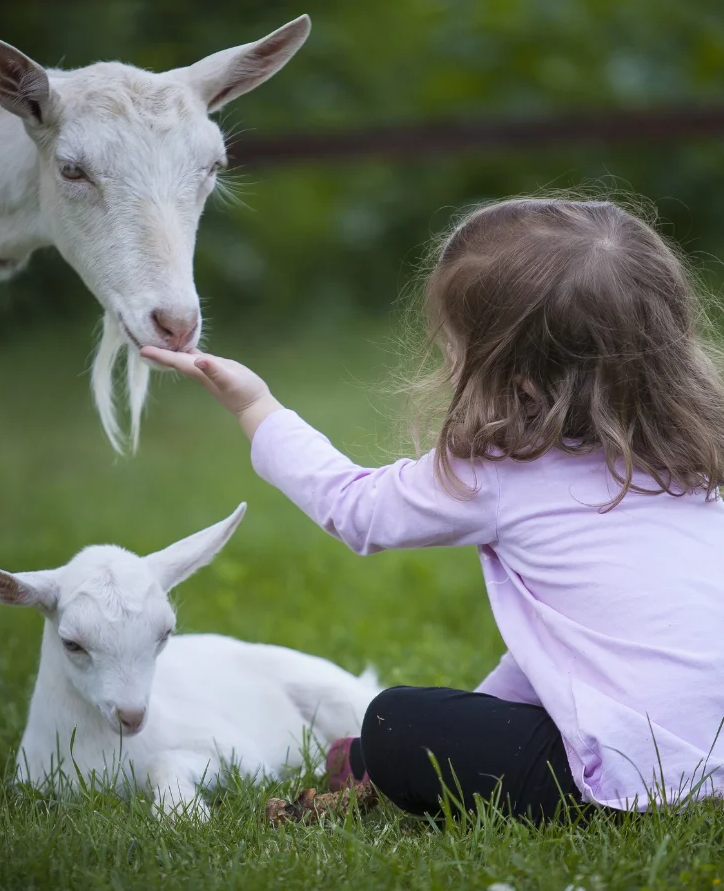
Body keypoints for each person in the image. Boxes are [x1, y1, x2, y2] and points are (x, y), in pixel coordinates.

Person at [142, 197, 724, 822]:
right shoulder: (696, 462)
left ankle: (377, 762)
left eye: (455, 348)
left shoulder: (504, 471)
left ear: (521, 381)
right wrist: (477, 711)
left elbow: (353, 507)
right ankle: (375, 760)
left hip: (629, 778)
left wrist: (255, 406)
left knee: (397, 722)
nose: (447, 362)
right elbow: (568, 646)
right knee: (431, 726)